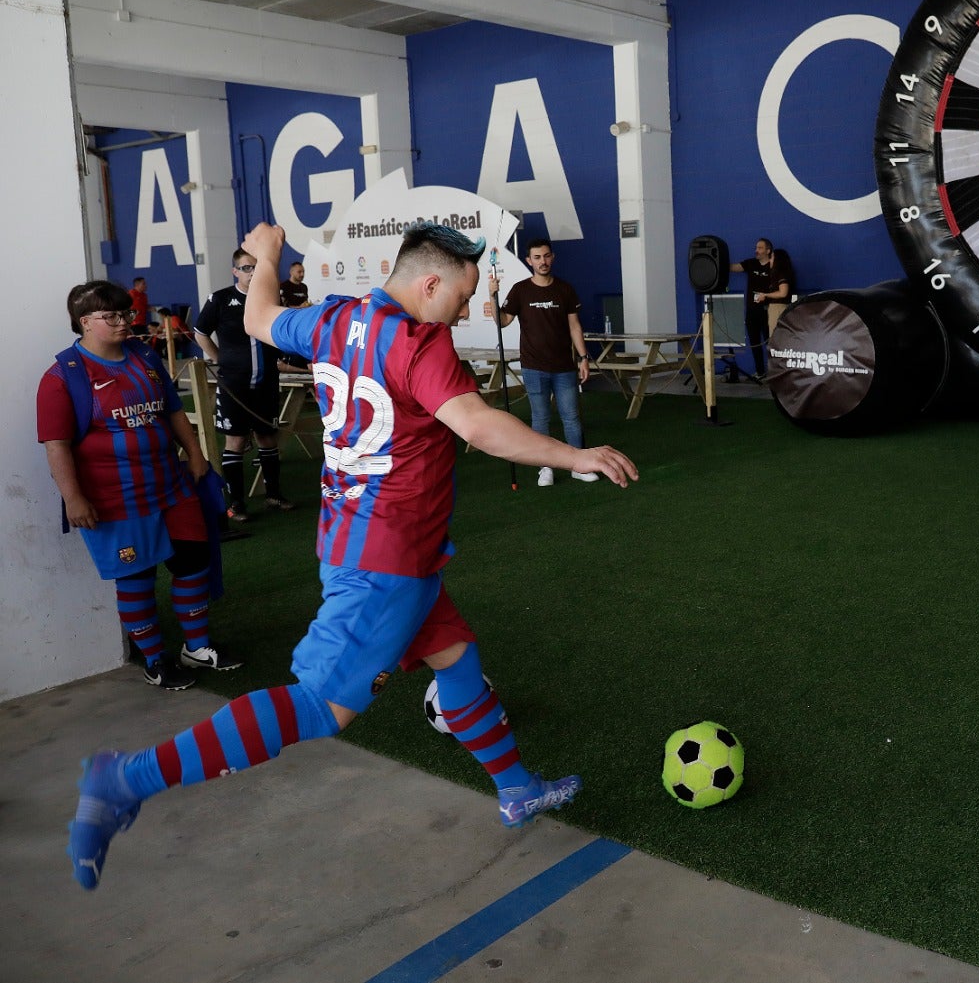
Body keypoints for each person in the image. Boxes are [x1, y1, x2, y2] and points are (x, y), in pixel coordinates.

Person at [65, 221, 639, 892]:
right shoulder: (421, 344)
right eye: (463, 297)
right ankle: (123, 777)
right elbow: (479, 426)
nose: (465, 309)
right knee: (318, 706)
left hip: (378, 545)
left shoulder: (335, 319)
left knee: (456, 656)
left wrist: (267, 255)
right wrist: (577, 454)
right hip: (384, 561)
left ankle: (516, 788)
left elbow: (258, 316)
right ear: (430, 284)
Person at [37, 282, 241, 692]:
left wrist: (197, 454)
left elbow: (172, 410)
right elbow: (56, 445)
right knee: (136, 578)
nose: (123, 322)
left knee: (193, 562)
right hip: (116, 501)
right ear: (84, 323)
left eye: (126, 314)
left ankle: (196, 647)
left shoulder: (145, 356)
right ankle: (154, 659)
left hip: (171, 486)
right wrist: (73, 498)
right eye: (111, 317)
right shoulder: (63, 377)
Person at [194, 247, 294, 521]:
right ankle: (236, 503)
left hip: (266, 383)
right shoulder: (221, 299)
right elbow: (200, 333)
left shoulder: (273, 297)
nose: (252, 273)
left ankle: (274, 495)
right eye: (247, 268)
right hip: (233, 386)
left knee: (267, 437)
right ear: (235, 271)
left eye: (257, 267)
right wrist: (220, 359)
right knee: (235, 441)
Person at [488, 237, 596, 488]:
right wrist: (492, 295)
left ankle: (578, 465)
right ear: (529, 261)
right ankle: (544, 468)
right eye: (537, 257)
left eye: (546, 256)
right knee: (540, 418)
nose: (542, 261)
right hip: (534, 366)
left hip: (564, 366)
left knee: (571, 417)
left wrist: (583, 357)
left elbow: (574, 326)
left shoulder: (565, 289)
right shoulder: (520, 290)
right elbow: (502, 321)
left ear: (552, 257)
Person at [728, 237, 776, 379]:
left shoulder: (774, 267)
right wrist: (718, 262)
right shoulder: (751, 263)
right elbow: (735, 267)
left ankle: (774, 373)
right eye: (756, 248)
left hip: (767, 311)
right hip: (751, 311)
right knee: (754, 343)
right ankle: (760, 371)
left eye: (760, 248)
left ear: (768, 250)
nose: (757, 250)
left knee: (770, 342)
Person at [763, 246, 796, 336]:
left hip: (778, 308)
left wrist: (766, 295)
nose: (770, 260)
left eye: (772, 257)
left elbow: (783, 293)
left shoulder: (782, 273)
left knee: (775, 336)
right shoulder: (782, 273)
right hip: (778, 307)